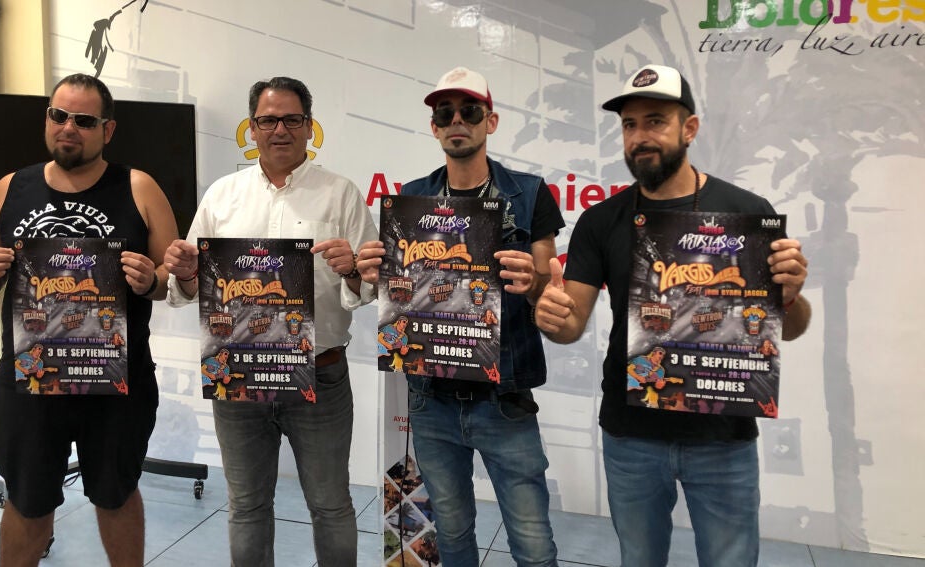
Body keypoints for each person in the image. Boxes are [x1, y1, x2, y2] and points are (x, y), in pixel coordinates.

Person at [534, 64, 812, 567]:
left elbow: (789, 328)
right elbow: (570, 325)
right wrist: (550, 313)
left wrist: (790, 297)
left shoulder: (746, 213)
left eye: (655, 121)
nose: (640, 136)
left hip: (723, 438)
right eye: (629, 124)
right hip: (631, 434)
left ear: (690, 128)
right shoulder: (602, 220)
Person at [0, 73, 179, 567]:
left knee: (116, 494)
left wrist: (152, 278)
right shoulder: (10, 187)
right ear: (47, 119)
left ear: (108, 129)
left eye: (83, 120)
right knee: (26, 500)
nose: (68, 128)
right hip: (30, 379)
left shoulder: (139, 187)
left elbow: (175, 278)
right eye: (59, 116)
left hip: (117, 381)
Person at [164, 76, 377, 567]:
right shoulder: (222, 196)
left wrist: (353, 271)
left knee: (330, 504)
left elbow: (369, 288)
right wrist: (188, 273)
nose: (280, 129)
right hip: (237, 376)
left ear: (309, 127)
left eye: (292, 119)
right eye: (268, 120)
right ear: (252, 128)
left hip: (320, 375)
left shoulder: (341, 194)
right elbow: (188, 287)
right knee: (246, 506)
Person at [356, 66, 563, 567]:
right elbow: (398, 295)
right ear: (433, 127)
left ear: (490, 121)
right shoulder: (411, 199)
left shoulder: (529, 193)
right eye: (444, 113)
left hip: (505, 398)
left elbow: (548, 290)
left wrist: (534, 282)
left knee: (533, 542)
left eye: (469, 111)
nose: (456, 121)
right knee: (450, 531)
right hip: (432, 399)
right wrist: (372, 274)